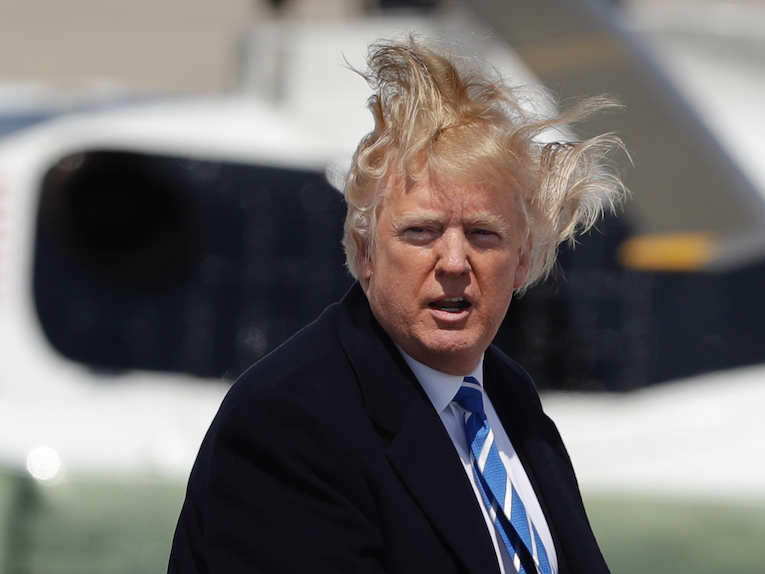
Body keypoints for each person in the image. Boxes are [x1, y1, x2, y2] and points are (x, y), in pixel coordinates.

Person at [168, 36, 625, 574]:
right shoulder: (289, 425)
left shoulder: (506, 395)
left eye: (483, 234)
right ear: (364, 252)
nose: (454, 261)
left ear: (522, 260)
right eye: (421, 232)